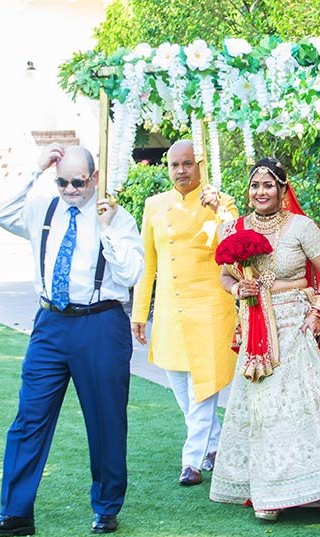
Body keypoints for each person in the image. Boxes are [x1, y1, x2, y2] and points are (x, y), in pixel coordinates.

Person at [0, 144, 144, 536]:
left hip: (100, 323)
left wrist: (107, 231)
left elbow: (132, 273)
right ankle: (16, 511)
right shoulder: (45, 207)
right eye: (62, 181)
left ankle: (106, 506)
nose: (70, 189)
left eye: (78, 182)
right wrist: (34, 169)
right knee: (29, 417)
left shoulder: (116, 218)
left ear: (94, 177)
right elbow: (0, 212)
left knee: (105, 420)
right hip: (51, 323)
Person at [209, 158, 320, 521]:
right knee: (262, 408)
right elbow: (224, 276)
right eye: (255, 185)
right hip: (255, 325)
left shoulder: (301, 227)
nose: (260, 192)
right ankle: (270, 493)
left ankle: (311, 491)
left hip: (294, 321)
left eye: (268, 185)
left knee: (295, 406)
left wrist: (317, 312)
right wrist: (238, 288)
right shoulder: (233, 228)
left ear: (283, 190)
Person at [131, 140, 238, 486]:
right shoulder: (154, 206)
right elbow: (148, 265)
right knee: (180, 385)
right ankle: (216, 444)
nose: (181, 170)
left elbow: (236, 246)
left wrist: (221, 211)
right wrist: (138, 311)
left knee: (203, 387)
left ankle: (191, 461)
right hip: (169, 312)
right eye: (174, 164)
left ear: (199, 165)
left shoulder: (220, 203)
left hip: (210, 308)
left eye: (187, 163)